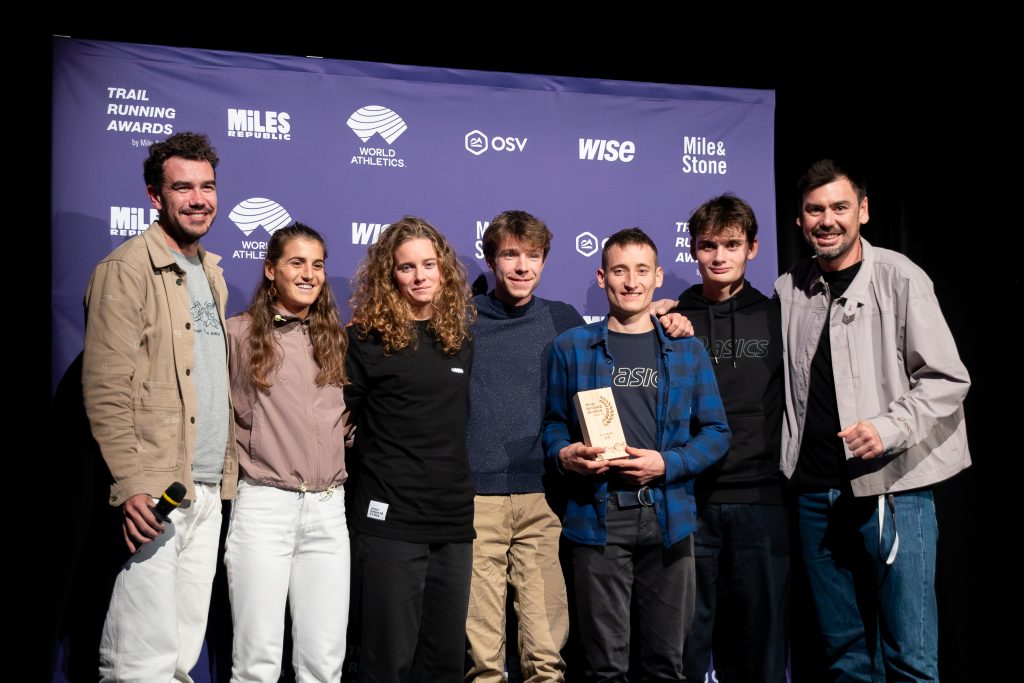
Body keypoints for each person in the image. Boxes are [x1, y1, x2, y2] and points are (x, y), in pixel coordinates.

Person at [775, 159, 971, 681]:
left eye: (839, 207)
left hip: (895, 490)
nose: (827, 220)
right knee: (847, 661)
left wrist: (887, 428)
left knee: (910, 658)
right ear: (799, 220)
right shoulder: (789, 287)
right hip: (815, 495)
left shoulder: (900, 276)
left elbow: (947, 380)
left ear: (863, 210)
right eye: (814, 210)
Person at [543, 228, 730, 682]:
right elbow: (551, 425)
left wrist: (667, 464)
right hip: (598, 515)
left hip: (670, 516)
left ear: (658, 276)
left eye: (642, 271)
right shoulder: (571, 346)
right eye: (620, 270)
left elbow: (717, 432)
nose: (631, 282)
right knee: (604, 666)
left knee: (666, 664)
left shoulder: (686, 347)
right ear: (602, 276)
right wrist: (565, 453)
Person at [82, 131, 237, 682]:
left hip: (202, 489)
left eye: (208, 186)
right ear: (155, 195)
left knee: (179, 656)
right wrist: (132, 486)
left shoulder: (211, 272)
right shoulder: (125, 270)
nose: (199, 199)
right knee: (139, 660)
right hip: (154, 492)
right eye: (183, 187)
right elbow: (105, 388)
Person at [345, 215, 475, 683]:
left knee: (443, 664)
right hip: (390, 522)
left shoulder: (458, 338)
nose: (420, 277)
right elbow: (340, 424)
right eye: (406, 268)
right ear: (389, 276)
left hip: (453, 523)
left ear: (444, 270)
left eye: (429, 264)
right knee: (387, 663)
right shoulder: (362, 340)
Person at [224, 223, 350, 682]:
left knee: (323, 663)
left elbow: (345, 421)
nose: (309, 274)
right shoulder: (237, 334)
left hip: (328, 510)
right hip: (264, 505)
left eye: (317, 265)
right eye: (296, 262)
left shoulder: (336, 338)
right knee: (257, 663)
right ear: (270, 269)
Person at [673, 194, 789, 682]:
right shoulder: (670, 319)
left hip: (763, 499)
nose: (719, 256)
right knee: (686, 648)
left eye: (732, 244)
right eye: (708, 245)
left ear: (753, 249)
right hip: (689, 501)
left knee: (759, 651)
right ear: (693, 251)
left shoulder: (780, 316)